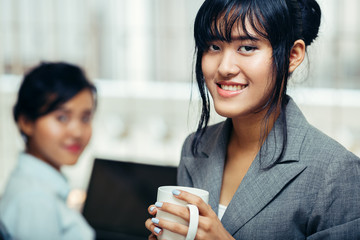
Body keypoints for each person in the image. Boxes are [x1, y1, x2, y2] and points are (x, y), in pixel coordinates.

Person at [145, 0, 360, 239]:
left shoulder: (336, 171)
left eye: (247, 47)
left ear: (293, 55)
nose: (225, 68)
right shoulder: (195, 146)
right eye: (214, 46)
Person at [0, 62, 97, 240]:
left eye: (85, 118)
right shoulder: (35, 201)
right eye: (62, 117)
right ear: (26, 122)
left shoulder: (35, 186)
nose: (77, 132)